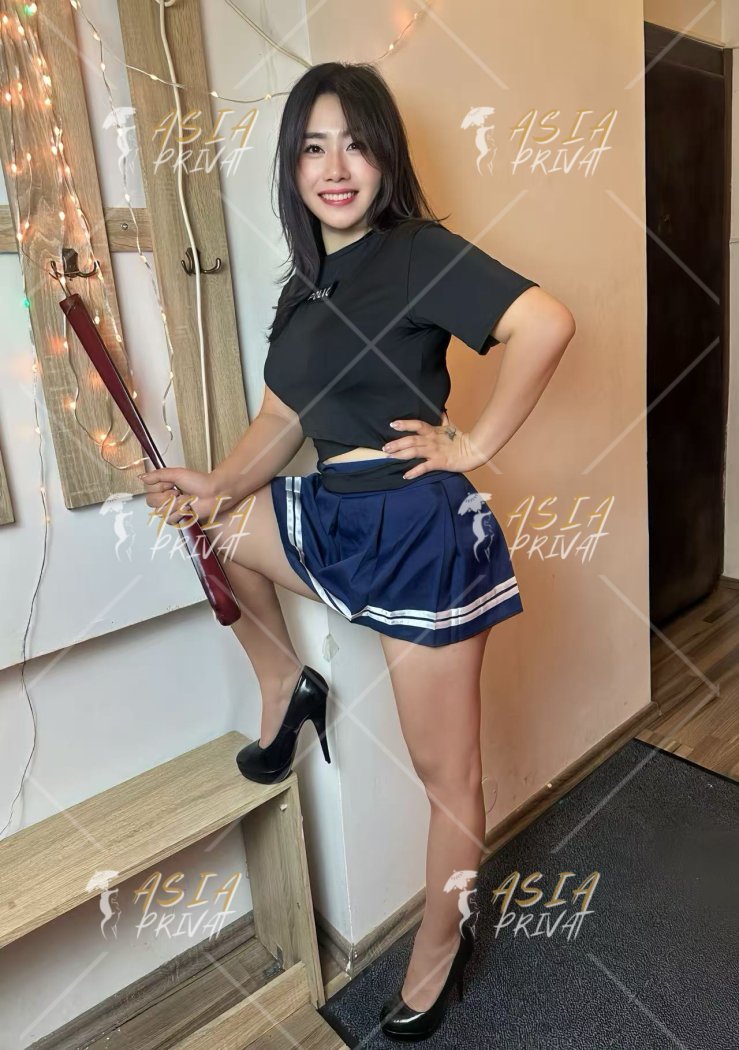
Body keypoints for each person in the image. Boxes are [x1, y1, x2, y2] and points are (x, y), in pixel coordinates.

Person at [141, 61, 575, 1042]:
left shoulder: (416, 253)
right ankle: (287, 684)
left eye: (355, 144)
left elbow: (545, 323)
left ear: (385, 158)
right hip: (338, 515)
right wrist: (220, 483)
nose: (334, 168)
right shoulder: (304, 289)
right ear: (292, 166)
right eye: (312, 147)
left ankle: (439, 947)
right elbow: (279, 420)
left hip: (420, 537)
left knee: (443, 776)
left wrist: (473, 445)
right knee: (218, 530)